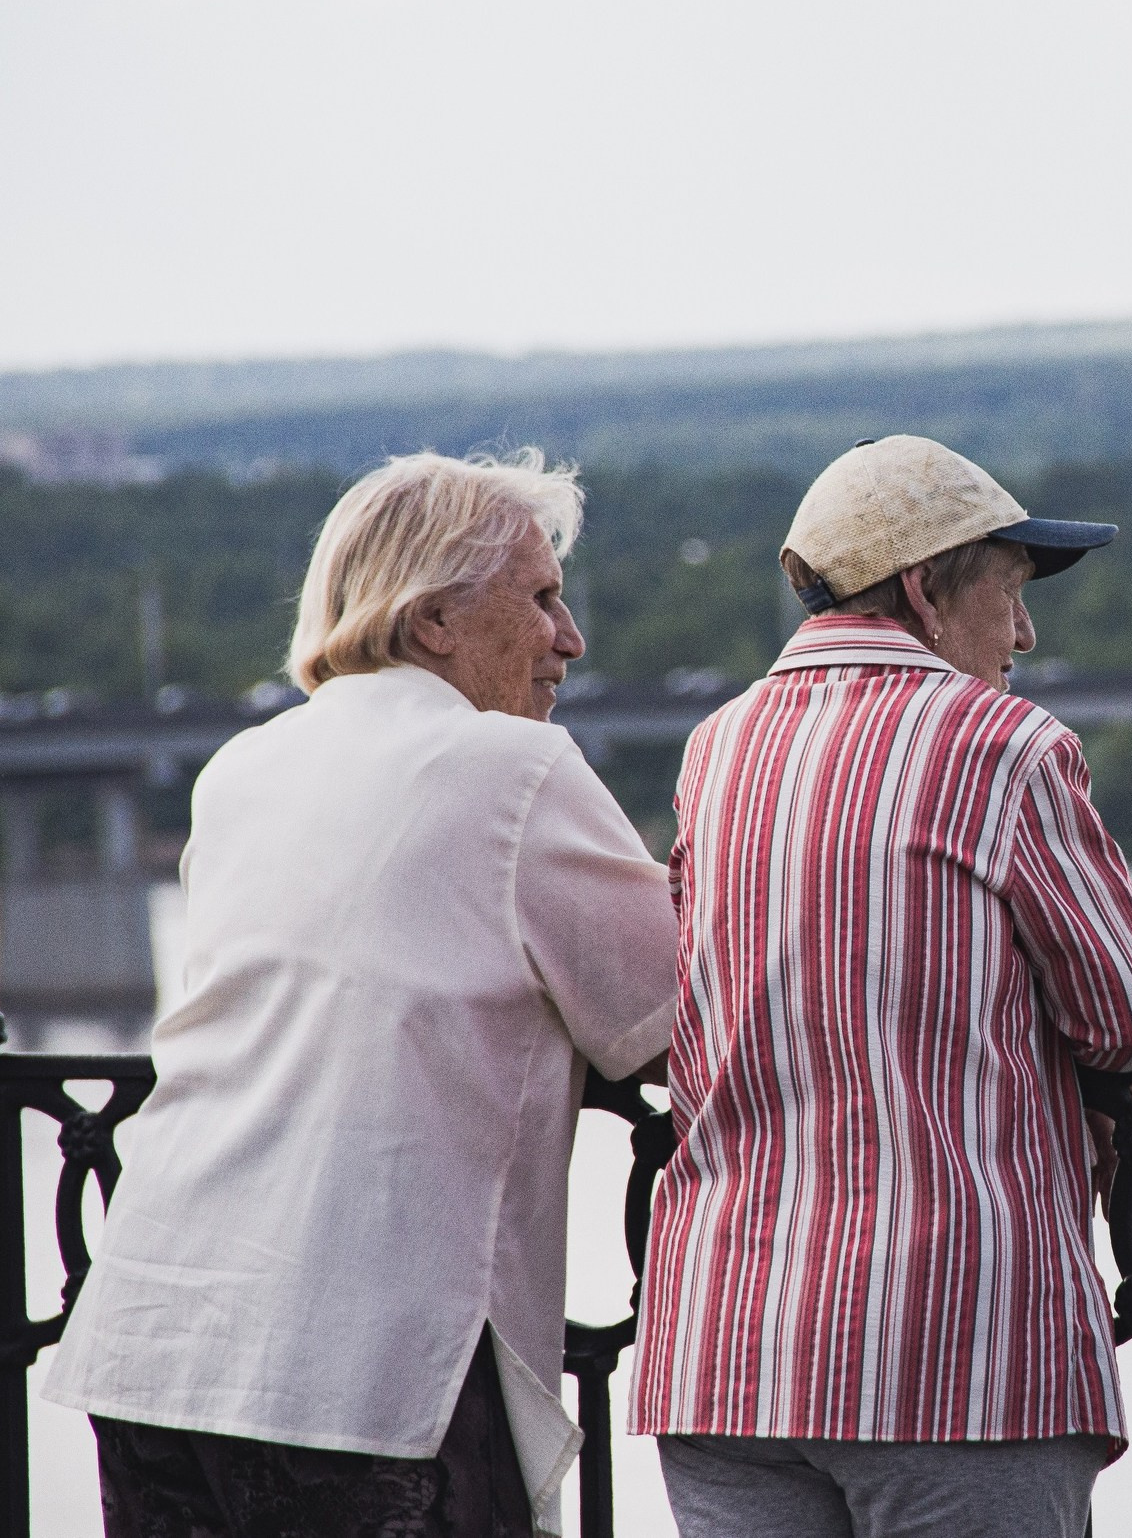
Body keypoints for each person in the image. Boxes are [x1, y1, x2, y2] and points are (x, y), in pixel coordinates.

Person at [43, 449, 679, 1538]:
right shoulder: (508, 769)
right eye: (539, 599)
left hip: (156, 1341)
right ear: (432, 620)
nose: (569, 638)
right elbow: (674, 1018)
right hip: (362, 1369)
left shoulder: (241, 769)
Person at [632, 435, 1132, 1538]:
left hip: (724, 1345)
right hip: (949, 1353)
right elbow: (1128, 1016)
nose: (1025, 633)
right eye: (1010, 591)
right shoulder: (1002, 745)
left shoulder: (717, 747)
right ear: (927, 589)